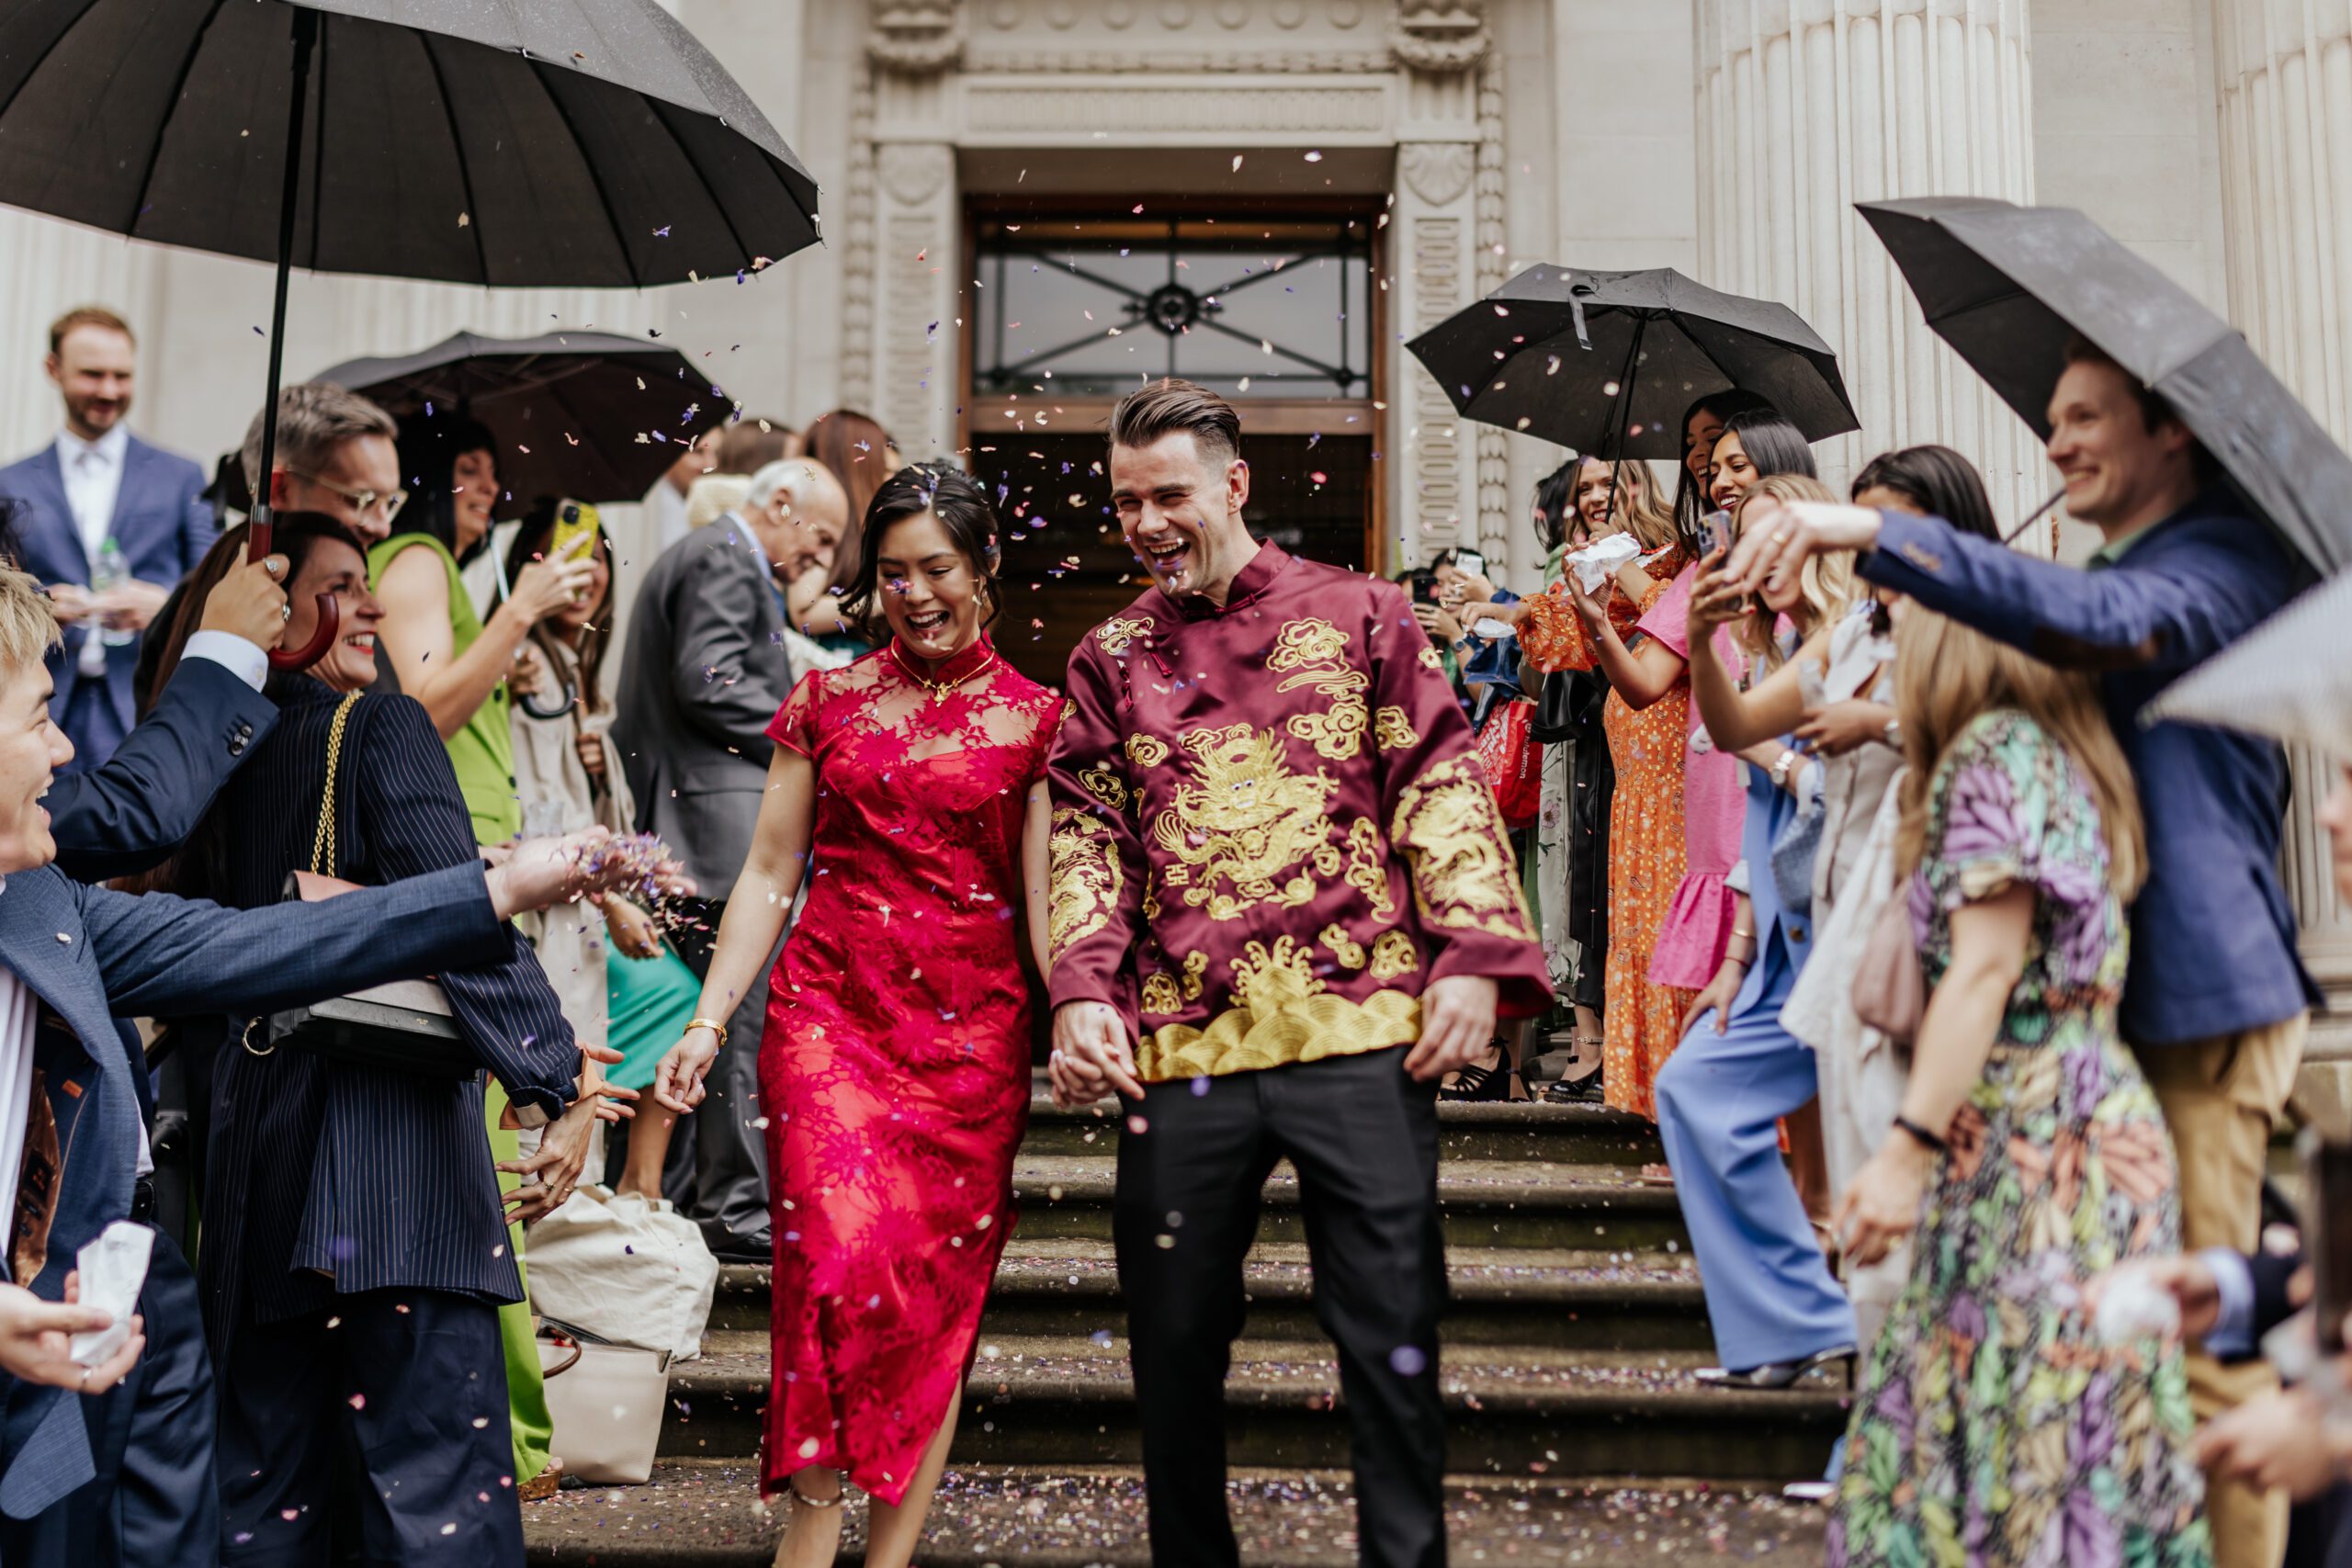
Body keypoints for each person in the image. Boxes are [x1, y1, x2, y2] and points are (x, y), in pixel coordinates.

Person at [1726, 336, 2315, 1568]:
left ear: (2176, 433)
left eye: (2087, 415)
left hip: (2202, 992)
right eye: (2051, 418)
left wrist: (1861, 529)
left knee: (2201, 1364)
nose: (2054, 443)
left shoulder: (2220, 558)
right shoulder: (2121, 559)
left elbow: (2096, 620)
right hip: (2113, 1011)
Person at [0, 555, 654, 1563]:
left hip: (237, 1197)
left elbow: (247, 945)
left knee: (252, 1504)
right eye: (340, 583)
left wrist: (496, 894)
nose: (374, 604)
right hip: (385, 1185)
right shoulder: (383, 725)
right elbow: (386, 933)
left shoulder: (155, 815)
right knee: (430, 1501)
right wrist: (548, 1066)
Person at [1046, 378, 1551, 1568]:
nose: (1146, 521)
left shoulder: (1366, 613)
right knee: (1170, 1343)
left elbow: (1438, 778)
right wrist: (1080, 986)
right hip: (1182, 1047)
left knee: (1391, 1333)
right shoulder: (1108, 657)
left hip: (1361, 1029)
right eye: (1126, 502)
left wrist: (1472, 957)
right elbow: (1086, 832)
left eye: (1168, 494)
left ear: (1234, 484)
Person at [650, 462, 1056, 1568]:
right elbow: (771, 870)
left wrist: (1096, 1025)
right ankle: (811, 1540)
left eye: (937, 569)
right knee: (834, 1266)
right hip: (827, 1016)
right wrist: (704, 1021)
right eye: (893, 574)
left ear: (983, 570)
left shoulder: (1038, 722)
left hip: (971, 1043)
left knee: (930, 1300)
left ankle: (887, 1561)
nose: (915, 593)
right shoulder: (823, 700)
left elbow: (1047, 911)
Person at [1826, 607, 2206, 1568]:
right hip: (2089, 1113)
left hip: (2032, 1137)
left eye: (1903, 627)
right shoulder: (2072, 756)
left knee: (2023, 1426)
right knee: (2078, 1430)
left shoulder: (1990, 755)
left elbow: (1986, 969)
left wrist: (1904, 1152)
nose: (1890, 647)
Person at [367, 410, 601, 1491]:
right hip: (448, 867)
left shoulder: (433, 569)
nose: (485, 494)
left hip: (478, 854)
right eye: (464, 474)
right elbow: (422, 708)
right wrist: (522, 608)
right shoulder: (413, 558)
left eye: (491, 477)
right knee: (487, 1150)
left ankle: (511, 1432)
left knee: (488, 1144)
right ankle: (511, 1437)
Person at [1651, 473, 1860, 1393]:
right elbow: (1753, 832)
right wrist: (1733, 958)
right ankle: (1797, 1321)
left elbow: (1851, 802)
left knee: (1865, 1158)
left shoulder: (1858, 644)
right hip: (1777, 950)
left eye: (1776, 540)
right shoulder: (1772, 656)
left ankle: (1840, 1341)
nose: (1758, 560)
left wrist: (1778, 757)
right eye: (1746, 545)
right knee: (1691, 1088)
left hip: (1854, 943)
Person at [611, 457, 846, 1260]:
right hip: (716, 831)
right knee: (739, 1023)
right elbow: (708, 680)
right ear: (778, 502)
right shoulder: (723, 554)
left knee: (717, 1021)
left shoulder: (708, 554)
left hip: (693, 825)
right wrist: (813, 723)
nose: (818, 559)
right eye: (818, 539)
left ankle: (707, 1194)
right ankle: (735, 1205)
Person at [1467, 457, 1692, 1122]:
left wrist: (1621, 569)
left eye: (1609, 485)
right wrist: (1532, 613)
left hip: (1657, 740)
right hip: (1593, 732)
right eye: (1585, 489)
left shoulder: (1675, 556)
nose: (1595, 497)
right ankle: (1613, 1050)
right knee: (1590, 888)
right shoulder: (1581, 560)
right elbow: (1557, 650)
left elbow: (1676, 625)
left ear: (1641, 487)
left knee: (1635, 897)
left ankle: (1637, 1061)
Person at [0, 308, 213, 773]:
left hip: (149, 702)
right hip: (42, 707)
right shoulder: (9, 482)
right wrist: (35, 608)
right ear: (53, 369)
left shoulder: (183, 476)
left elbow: (215, 589)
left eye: (122, 376)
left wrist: (165, 609)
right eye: (93, 374)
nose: (110, 391)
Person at [797, 411, 898, 653]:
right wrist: (888, 597)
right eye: (885, 470)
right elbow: (804, 613)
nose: (893, 481)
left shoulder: (874, 525)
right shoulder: (822, 525)